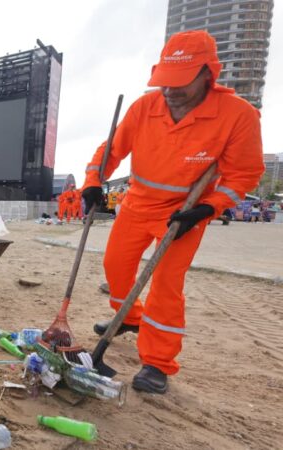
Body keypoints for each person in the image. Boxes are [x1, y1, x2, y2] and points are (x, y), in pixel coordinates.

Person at [80, 30, 264, 394]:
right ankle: (129, 318)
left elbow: (244, 173)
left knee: (165, 285)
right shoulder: (144, 107)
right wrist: (93, 180)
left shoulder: (238, 116)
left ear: (208, 74)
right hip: (136, 204)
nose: (170, 91)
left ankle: (157, 363)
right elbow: (112, 149)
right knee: (115, 266)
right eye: (165, 82)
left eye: (180, 83)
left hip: (184, 213)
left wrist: (209, 208)